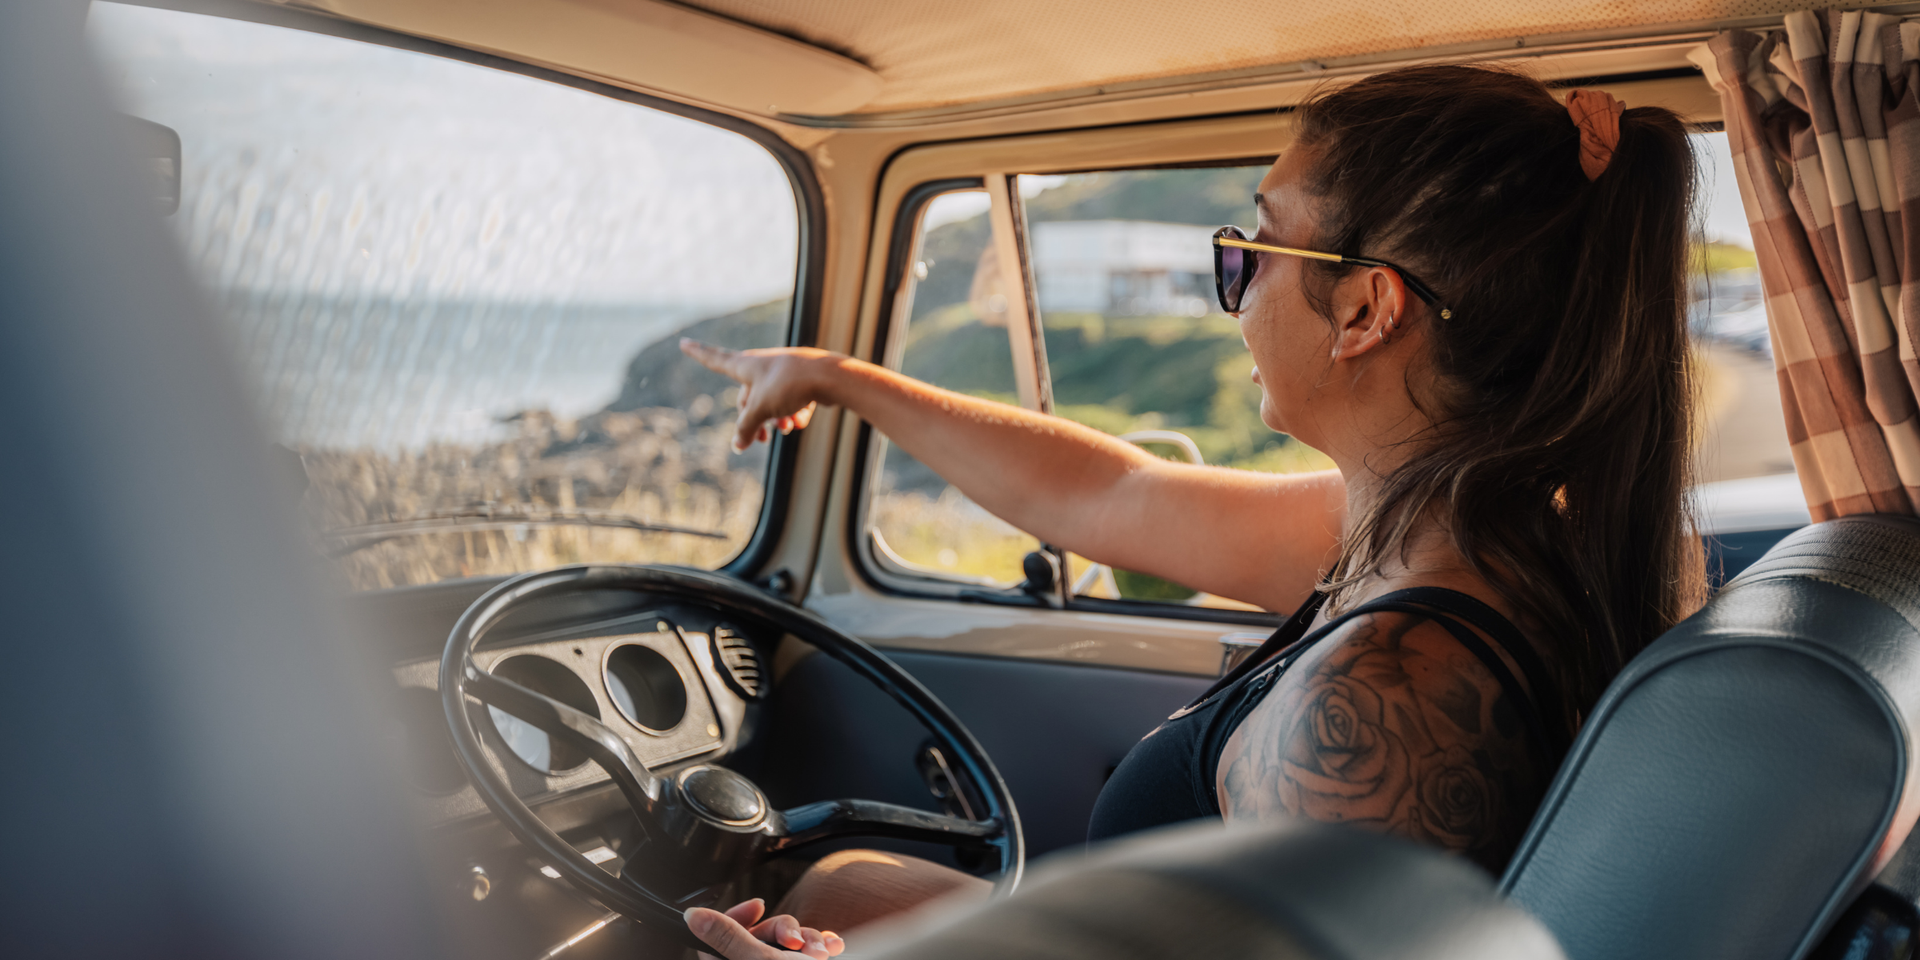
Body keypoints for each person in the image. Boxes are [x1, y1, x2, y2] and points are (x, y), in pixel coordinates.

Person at [679, 64, 1705, 959]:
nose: (1236, 280)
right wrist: (842, 379)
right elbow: (1107, 494)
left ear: (1363, 310)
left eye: (1254, 245)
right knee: (843, 887)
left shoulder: (1383, 699)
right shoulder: (1470, 525)